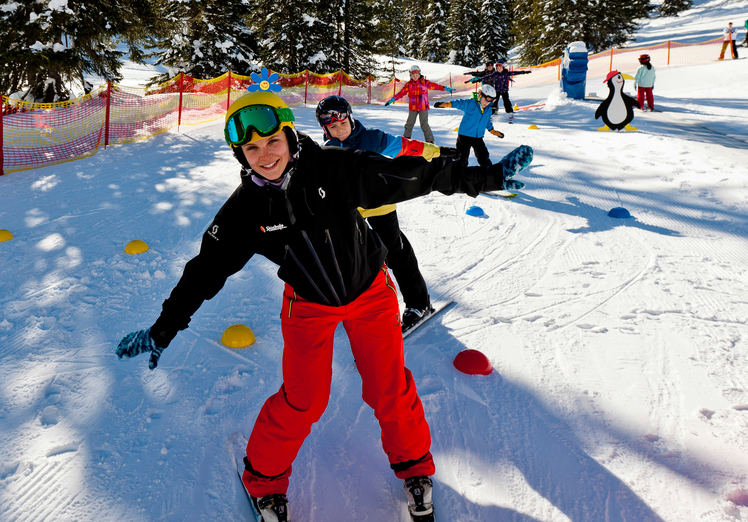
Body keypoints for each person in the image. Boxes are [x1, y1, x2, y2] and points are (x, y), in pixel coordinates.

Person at [114, 90, 534, 522]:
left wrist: (484, 177)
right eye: (251, 148)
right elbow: (205, 271)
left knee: (389, 389)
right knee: (303, 400)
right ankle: (264, 480)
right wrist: (162, 330)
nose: (265, 155)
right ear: (241, 154)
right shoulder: (244, 211)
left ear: (289, 135)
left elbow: (409, 176)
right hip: (308, 304)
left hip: (370, 294)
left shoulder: (334, 167)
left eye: (272, 141)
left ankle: (414, 469)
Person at [316, 95, 447, 331]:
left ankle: (419, 304)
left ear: (351, 119)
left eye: (342, 124)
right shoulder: (328, 150)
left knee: (395, 252)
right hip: (353, 213)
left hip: (381, 207)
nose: (339, 130)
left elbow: (406, 146)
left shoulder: (372, 139)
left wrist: (437, 153)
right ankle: (367, 312)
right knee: (360, 263)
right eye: (332, 127)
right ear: (325, 128)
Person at [432, 84, 512, 174]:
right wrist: (447, 104)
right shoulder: (470, 104)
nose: (487, 103)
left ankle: (489, 173)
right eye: (486, 99)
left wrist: (493, 131)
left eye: (490, 101)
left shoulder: (488, 109)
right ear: (480, 95)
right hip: (464, 136)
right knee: (462, 157)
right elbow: (459, 103)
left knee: (483, 155)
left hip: (478, 137)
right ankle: (459, 174)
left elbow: (487, 122)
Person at [385, 64, 456, 144]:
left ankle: (430, 141)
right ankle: (406, 141)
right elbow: (401, 93)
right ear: (410, 75)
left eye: (416, 74)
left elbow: (435, 86)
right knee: (409, 124)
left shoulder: (425, 83)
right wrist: (393, 99)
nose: (415, 76)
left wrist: (445, 88)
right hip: (413, 107)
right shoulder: (409, 85)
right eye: (413, 75)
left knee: (424, 125)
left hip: (423, 107)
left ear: (419, 74)